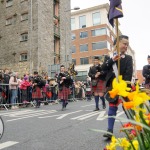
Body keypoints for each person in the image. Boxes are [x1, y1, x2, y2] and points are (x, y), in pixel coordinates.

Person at [103, 35, 133, 139]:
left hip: (124, 85)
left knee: (127, 108)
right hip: (113, 86)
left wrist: (123, 85)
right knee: (112, 107)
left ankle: (133, 129)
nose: (126, 46)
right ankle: (109, 130)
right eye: (124, 44)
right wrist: (112, 60)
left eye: (127, 44)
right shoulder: (109, 57)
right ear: (117, 44)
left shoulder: (128, 58)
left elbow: (129, 73)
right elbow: (104, 68)